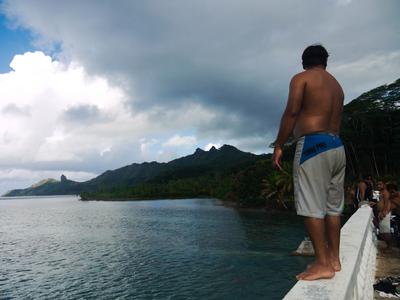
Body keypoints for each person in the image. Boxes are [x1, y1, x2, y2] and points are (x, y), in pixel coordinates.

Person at [272, 44, 346, 281]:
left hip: (313, 146)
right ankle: (334, 259)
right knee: (333, 207)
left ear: (304, 62)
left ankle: (322, 264)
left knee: (311, 206)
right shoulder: (337, 86)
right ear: (325, 62)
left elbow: (292, 112)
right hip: (337, 145)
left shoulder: (301, 78)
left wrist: (279, 144)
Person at [376, 181, 392, 250]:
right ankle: (388, 246)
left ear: (384, 185)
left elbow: (387, 203)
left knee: (385, 232)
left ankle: (390, 247)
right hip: (381, 213)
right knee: (383, 232)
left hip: (384, 213)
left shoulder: (385, 192)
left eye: (380, 184)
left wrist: (384, 212)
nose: (378, 186)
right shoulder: (381, 193)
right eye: (377, 185)